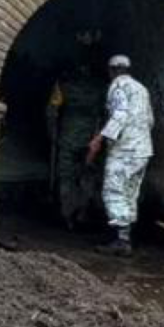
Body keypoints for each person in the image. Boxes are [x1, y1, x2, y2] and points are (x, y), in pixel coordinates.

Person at [85, 55, 153, 255]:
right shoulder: (141, 88)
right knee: (130, 192)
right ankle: (126, 236)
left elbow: (120, 115)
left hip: (125, 150)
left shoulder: (117, 86)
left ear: (111, 70)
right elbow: (150, 119)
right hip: (143, 150)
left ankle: (121, 241)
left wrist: (99, 139)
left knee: (114, 191)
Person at [48, 63, 107, 230]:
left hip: (68, 138)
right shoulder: (101, 87)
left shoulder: (63, 85)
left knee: (67, 176)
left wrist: (52, 135)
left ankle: (67, 215)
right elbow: (106, 114)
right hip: (91, 140)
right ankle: (83, 212)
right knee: (87, 176)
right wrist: (101, 138)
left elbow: (52, 111)